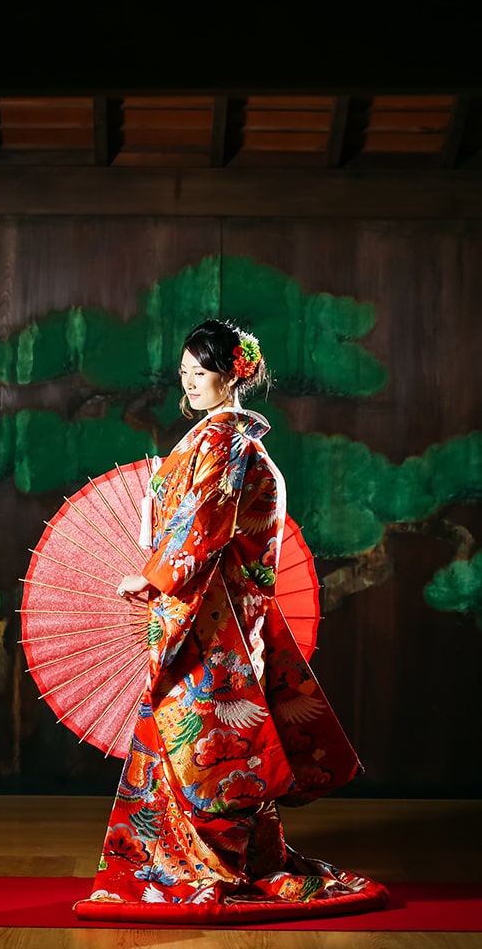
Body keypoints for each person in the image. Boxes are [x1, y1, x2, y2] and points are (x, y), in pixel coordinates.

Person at [75, 319, 388, 924]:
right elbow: (190, 513)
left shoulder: (227, 443)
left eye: (202, 371)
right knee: (216, 734)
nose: (189, 382)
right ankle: (218, 858)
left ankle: (212, 864)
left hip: (209, 615)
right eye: (185, 372)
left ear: (233, 373)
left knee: (208, 735)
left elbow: (205, 522)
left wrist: (155, 575)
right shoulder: (222, 440)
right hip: (220, 610)